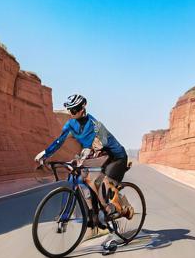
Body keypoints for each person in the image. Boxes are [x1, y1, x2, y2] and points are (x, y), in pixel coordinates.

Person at [34, 94, 133, 223]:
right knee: (82, 179)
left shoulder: (95, 125)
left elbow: (93, 147)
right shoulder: (71, 124)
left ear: (82, 108)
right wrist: (45, 153)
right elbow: (59, 141)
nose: (71, 113)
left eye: (74, 110)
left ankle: (117, 209)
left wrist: (80, 160)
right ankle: (92, 215)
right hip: (100, 156)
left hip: (116, 157)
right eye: (69, 110)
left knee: (100, 184)